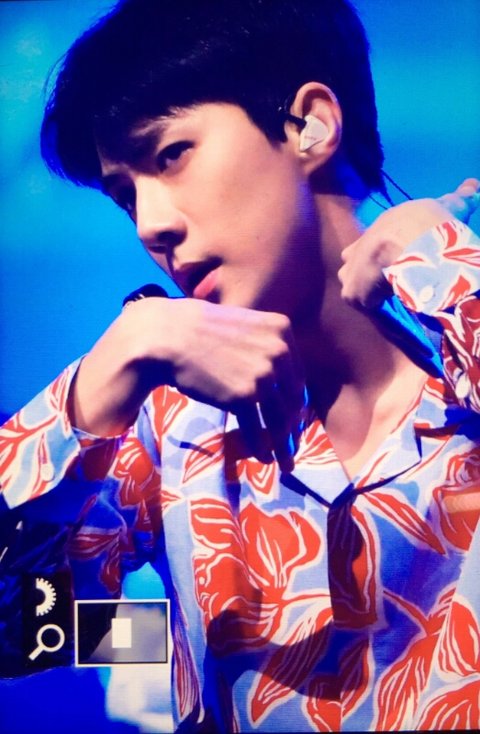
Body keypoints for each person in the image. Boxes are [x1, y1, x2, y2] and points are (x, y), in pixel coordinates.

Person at [1, 0, 479, 731]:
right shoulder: (167, 429)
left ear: (310, 125)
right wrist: (96, 387)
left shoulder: (458, 377)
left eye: (171, 155)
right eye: (125, 196)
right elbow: (16, 638)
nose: (150, 224)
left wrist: (439, 260)